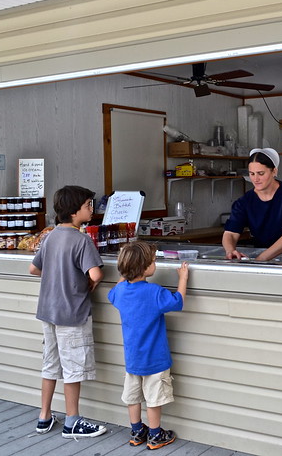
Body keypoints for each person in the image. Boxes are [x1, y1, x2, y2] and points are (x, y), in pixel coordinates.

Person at [29, 185, 107, 439]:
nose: (91, 210)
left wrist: (56, 274)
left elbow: (34, 269)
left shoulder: (50, 236)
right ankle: (72, 421)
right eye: (88, 206)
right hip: (72, 314)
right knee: (73, 367)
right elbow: (95, 273)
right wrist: (91, 281)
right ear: (74, 212)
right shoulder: (81, 239)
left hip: (48, 311)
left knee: (50, 365)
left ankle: (44, 416)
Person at [108, 241, 189, 450]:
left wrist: (125, 274)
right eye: (153, 261)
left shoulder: (121, 292)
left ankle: (136, 431)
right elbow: (178, 302)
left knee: (133, 396)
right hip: (155, 359)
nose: (155, 264)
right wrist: (183, 278)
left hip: (132, 358)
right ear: (145, 268)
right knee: (153, 399)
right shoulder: (154, 292)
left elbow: (113, 293)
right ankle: (155, 435)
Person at [223, 147, 282, 261]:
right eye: (252, 174)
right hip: (263, 253)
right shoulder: (244, 202)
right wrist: (230, 250)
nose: (256, 179)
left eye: (261, 173)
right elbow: (230, 233)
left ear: (274, 171)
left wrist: (261, 259)